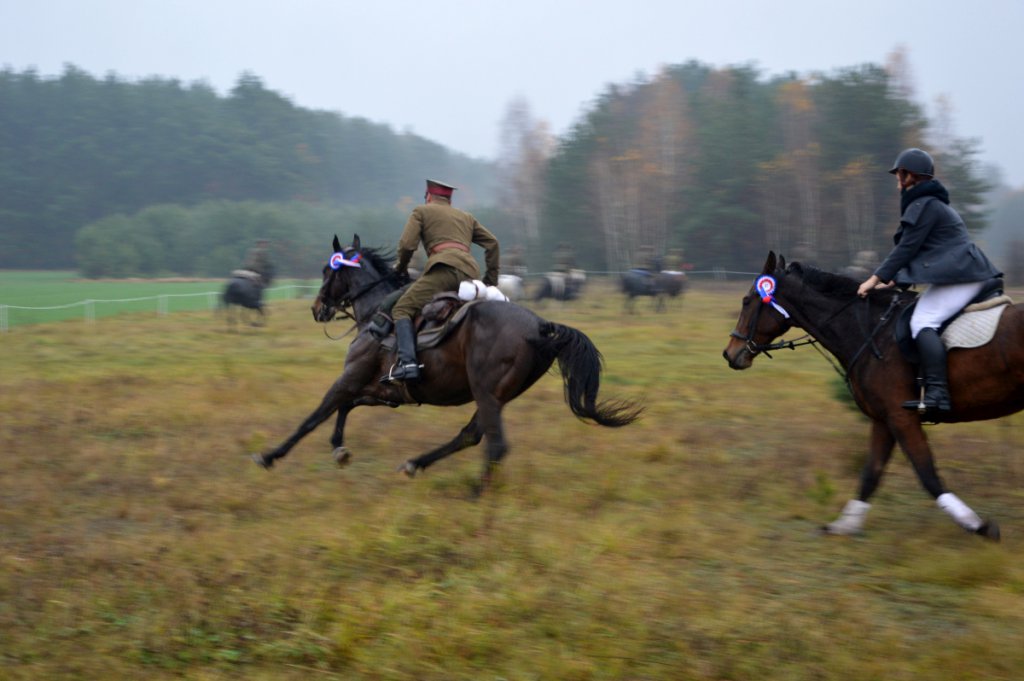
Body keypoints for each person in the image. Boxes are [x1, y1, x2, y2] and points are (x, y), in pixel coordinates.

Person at [857, 148, 1001, 414]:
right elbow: (925, 252)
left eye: (899, 175)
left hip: (964, 276)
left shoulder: (923, 205)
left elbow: (907, 249)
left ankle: (937, 393)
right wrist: (894, 282)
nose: (897, 180)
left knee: (923, 321)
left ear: (908, 175)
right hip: (961, 273)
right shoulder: (928, 204)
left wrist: (874, 279)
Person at [383, 179, 501, 384]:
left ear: (428, 196)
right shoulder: (466, 217)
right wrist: (489, 281)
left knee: (402, 309)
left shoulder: (421, 211)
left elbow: (407, 245)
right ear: (449, 199)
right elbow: (493, 244)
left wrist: (400, 269)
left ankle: (408, 364)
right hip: (470, 274)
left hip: (443, 269)